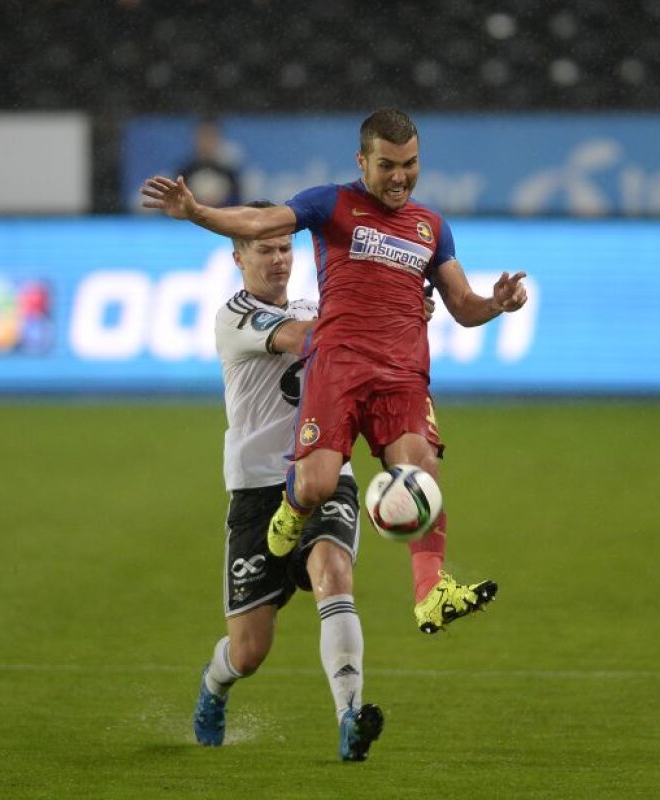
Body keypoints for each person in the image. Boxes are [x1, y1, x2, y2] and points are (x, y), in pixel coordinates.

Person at [142, 108, 528, 635]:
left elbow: (462, 305)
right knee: (319, 482)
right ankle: (289, 513)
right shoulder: (331, 203)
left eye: (410, 164)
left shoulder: (432, 226)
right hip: (339, 367)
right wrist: (196, 212)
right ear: (362, 161)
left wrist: (497, 303)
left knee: (422, 476)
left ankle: (431, 592)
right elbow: (259, 223)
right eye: (388, 165)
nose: (400, 177)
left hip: (404, 374)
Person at [193, 200, 404, 762]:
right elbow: (302, 340)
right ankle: (214, 685)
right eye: (266, 248)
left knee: (333, 572)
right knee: (249, 651)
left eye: (286, 247)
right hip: (257, 492)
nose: (279, 259)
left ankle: (350, 718)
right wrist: (368, 324)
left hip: (323, 471)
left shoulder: (318, 305)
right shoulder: (235, 317)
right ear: (239, 256)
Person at [176, 117, 243, 208]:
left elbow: (237, 208)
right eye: (202, 136)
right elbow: (175, 206)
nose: (206, 142)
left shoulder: (229, 175)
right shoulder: (184, 173)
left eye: (211, 136)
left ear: (218, 138)